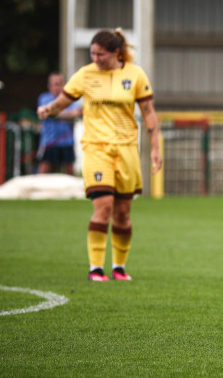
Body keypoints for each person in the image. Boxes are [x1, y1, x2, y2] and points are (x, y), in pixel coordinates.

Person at [38, 29, 162, 282]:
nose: (95, 58)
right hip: (96, 148)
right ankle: (95, 268)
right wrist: (48, 109)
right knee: (103, 207)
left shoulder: (135, 74)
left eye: (100, 54)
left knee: (123, 213)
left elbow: (148, 112)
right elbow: (62, 102)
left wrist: (156, 149)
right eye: (92, 53)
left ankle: (119, 267)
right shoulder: (85, 74)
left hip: (126, 149)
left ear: (116, 52)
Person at [37, 72, 82, 174]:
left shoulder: (70, 99)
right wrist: (65, 114)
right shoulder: (44, 98)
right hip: (49, 142)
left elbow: (76, 114)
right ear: (49, 86)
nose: (58, 87)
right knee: (43, 174)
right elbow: (45, 113)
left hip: (67, 142)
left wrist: (53, 112)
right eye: (55, 84)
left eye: (60, 83)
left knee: (70, 174)